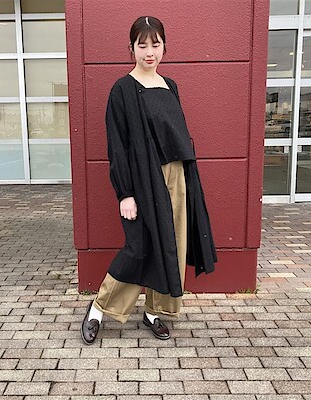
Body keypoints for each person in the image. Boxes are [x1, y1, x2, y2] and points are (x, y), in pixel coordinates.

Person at [81, 16, 217, 345]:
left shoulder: (170, 86)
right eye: (142, 45)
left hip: (178, 176)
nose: (149, 52)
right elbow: (117, 145)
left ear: (164, 47)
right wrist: (125, 193)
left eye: (155, 44)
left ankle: (155, 312)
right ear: (131, 49)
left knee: (172, 244)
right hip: (144, 180)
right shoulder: (122, 90)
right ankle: (99, 308)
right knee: (139, 248)